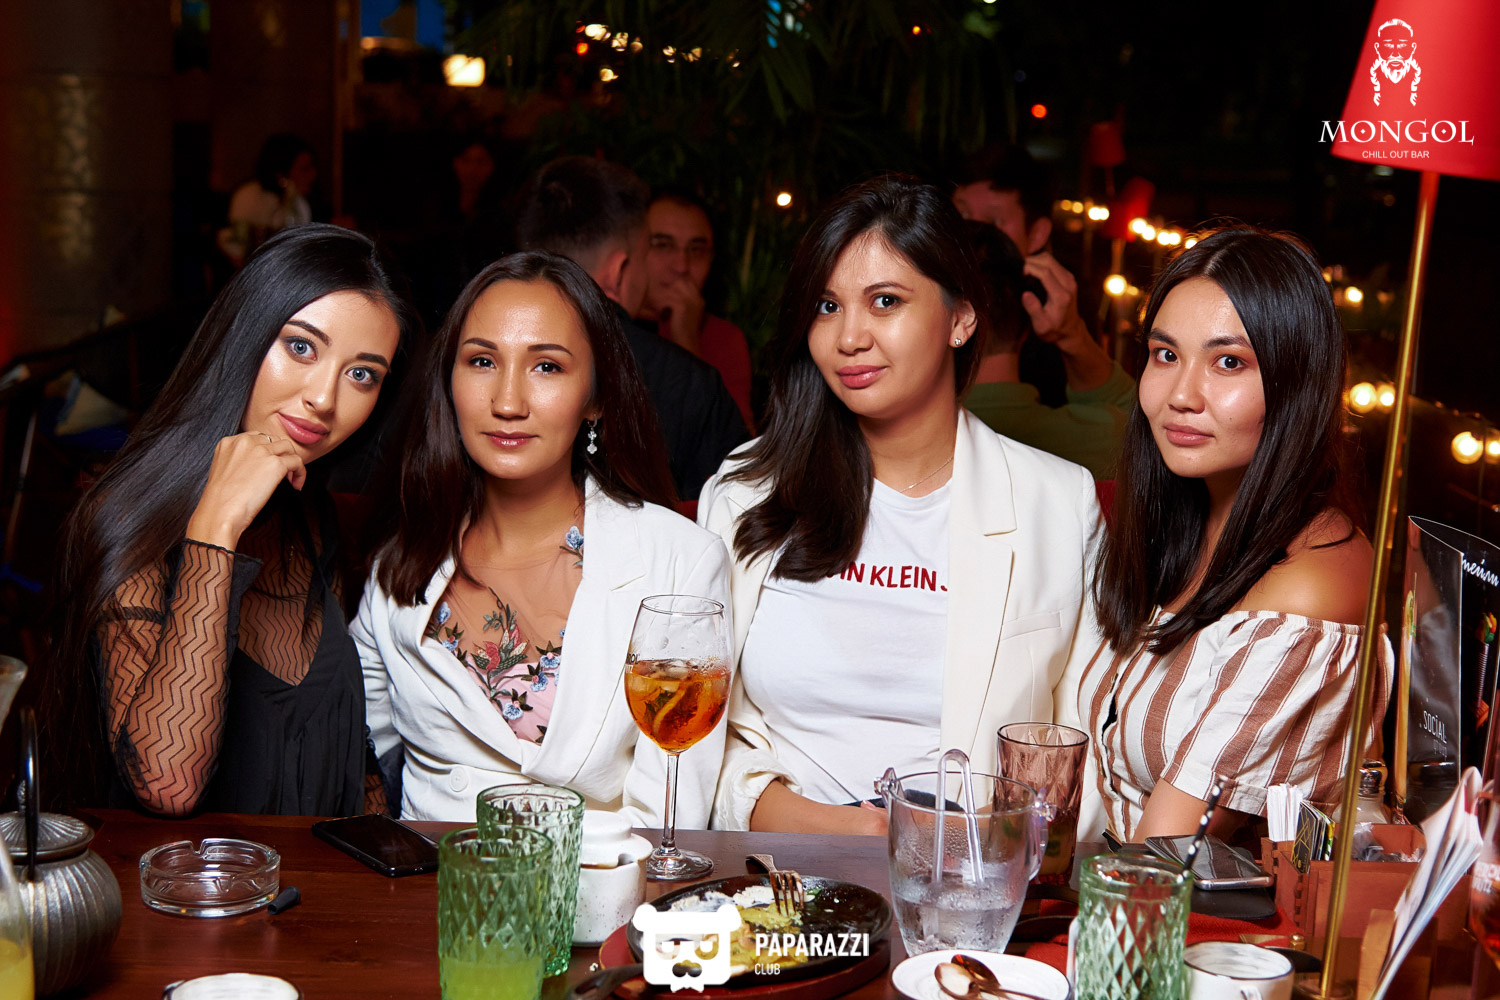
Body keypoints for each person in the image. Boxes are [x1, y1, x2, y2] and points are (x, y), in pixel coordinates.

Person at [699, 175, 1102, 834]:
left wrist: (982, 848)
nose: (849, 337)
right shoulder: (746, 492)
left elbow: (1085, 746)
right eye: (827, 306)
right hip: (778, 868)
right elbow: (701, 738)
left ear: (961, 317)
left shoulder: (1055, 502)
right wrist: (845, 832)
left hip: (973, 872)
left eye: (885, 301)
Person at [354, 251, 732, 823]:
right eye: (482, 361)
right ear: (449, 382)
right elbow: (354, 754)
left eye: (547, 367)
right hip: (431, 875)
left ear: (596, 397)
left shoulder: (680, 559)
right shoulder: (398, 567)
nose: (507, 402)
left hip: (608, 876)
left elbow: (671, 816)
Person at [50, 224, 414, 815]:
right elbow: (169, 783)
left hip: (322, 873)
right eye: (301, 347)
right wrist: (215, 528)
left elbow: (350, 749)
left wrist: (389, 859)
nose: (324, 398)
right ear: (245, 335)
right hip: (186, 876)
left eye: (361, 374)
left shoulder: (312, 518)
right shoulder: (128, 516)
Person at [1063, 226, 1390, 843]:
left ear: (1297, 384)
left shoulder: (1312, 586)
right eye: (1165, 355)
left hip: (1168, 899)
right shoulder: (1182, 527)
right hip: (1101, 883)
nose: (1181, 396)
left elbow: (1161, 862)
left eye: (1229, 363)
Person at [514, 156, 748, 500]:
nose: (680, 266)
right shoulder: (684, 380)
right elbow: (736, 504)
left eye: (697, 250)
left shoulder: (469, 349)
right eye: (656, 247)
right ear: (619, 270)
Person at [963, 223, 1135, 478]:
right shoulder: (1102, 441)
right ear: (1026, 328)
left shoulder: (904, 442)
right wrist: (1072, 334)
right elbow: (1144, 421)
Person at [951, 145, 1113, 409]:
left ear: (1037, 234)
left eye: (993, 222)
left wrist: (1071, 336)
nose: (972, 232)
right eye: (962, 215)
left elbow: (1108, 413)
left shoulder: (1061, 306)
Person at [638, 192, 755, 429]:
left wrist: (686, 339)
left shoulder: (724, 338)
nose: (681, 266)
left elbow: (737, 445)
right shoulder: (599, 324)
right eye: (663, 245)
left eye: (696, 250)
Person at [218, 133, 319, 267]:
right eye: (304, 169)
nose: (313, 175)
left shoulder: (303, 202)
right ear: (281, 173)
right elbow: (238, 251)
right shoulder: (249, 197)